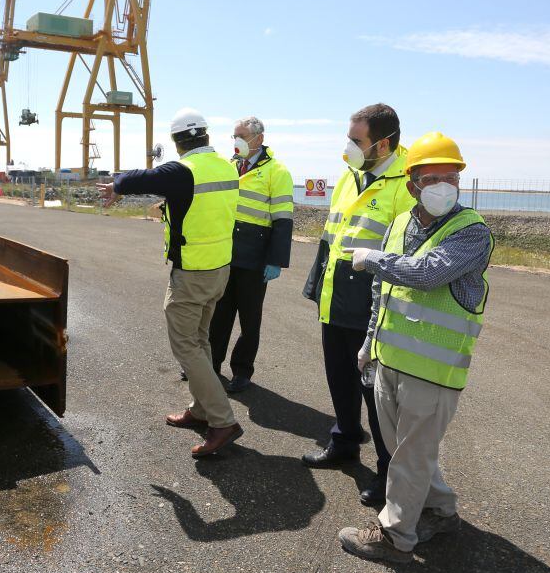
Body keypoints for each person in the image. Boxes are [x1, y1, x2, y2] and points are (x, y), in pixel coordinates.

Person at [337, 131, 493, 563]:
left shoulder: (471, 232)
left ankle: (395, 538)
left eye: (452, 177)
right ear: (412, 186)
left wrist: (371, 258)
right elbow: (382, 293)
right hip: (389, 360)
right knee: (409, 451)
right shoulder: (402, 222)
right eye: (433, 178)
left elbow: (426, 274)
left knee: (410, 455)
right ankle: (440, 512)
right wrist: (369, 342)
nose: (445, 186)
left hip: (434, 371)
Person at [98, 108, 243, 457]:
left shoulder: (183, 170)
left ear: (178, 142)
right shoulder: (227, 166)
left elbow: (142, 176)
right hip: (220, 267)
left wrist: (116, 186)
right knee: (200, 339)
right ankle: (201, 408)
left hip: (192, 271)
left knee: (185, 346)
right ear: (206, 136)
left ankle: (222, 421)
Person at [302, 104, 414, 507]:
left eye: (356, 140)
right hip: (336, 297)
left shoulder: (406, 183)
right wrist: (316, 285)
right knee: (339, 379)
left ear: (383, 144)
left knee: (377, 395)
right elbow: (333, 235)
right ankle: (345, 441)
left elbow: (408, 254)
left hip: (373, 305)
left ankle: (388, 472)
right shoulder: (350, 177)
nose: (348, 146)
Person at [207, 116, 295, 393]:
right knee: (219, 315)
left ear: (258, 138)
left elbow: (283, 219)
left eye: (241, 136)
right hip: (225, 253)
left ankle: (242, 371)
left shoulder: (277, 171)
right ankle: (209, 366)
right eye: (234, 136)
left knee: (249, 318)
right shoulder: (229, 165)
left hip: (255, 258)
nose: (236, 141)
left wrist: (276, 260)